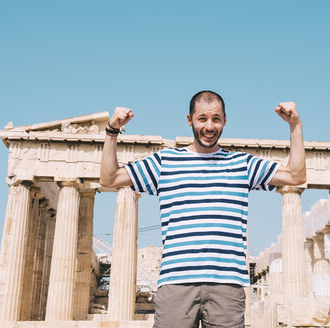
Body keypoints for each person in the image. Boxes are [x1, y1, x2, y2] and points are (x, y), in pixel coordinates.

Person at [100, 90, 306, 328]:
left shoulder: (242, 164)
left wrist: (295, 125)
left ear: (225, 120)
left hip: (227, 286)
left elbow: (296, 176)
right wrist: (112, 131)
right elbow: (109, 178)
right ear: (189, 120)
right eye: (202, 119)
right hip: (176, 282)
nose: (209, 126)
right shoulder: (164, 162)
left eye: (216, 119)